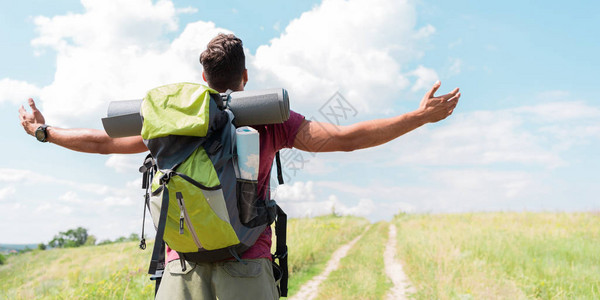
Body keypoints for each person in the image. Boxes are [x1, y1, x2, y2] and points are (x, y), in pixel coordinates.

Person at [18, 33, 460, 299]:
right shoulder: (270, 120)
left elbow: (103, 144)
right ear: (243, 78)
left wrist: (44, 131)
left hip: (180, 266)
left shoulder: (174, 123)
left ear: (203, 78)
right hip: (247, 264)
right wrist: (418, 117)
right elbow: (346, 139)